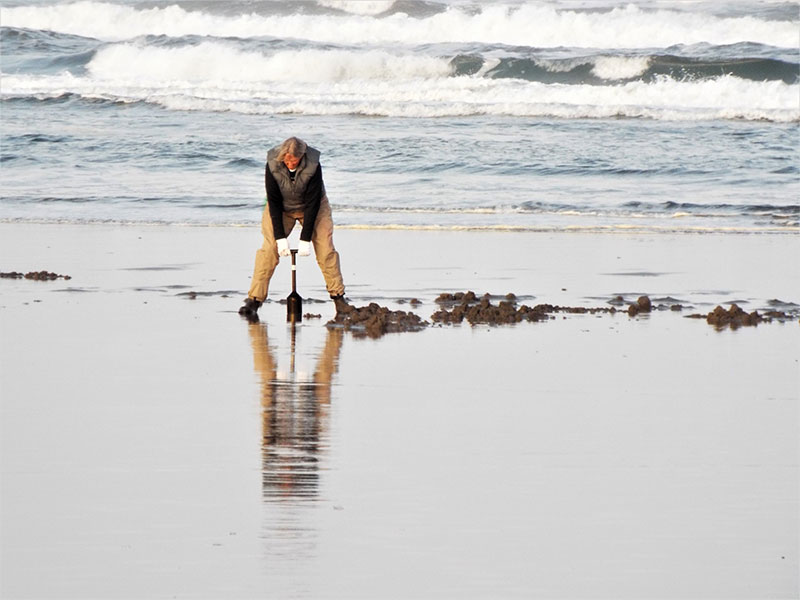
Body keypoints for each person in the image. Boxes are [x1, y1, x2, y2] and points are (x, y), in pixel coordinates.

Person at [239, 137, 350, 320]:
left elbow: (313, 204)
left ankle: (339, 299)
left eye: (294, 160)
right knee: (269, 250)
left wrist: (305, 238)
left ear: (302, 156)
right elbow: (273, 201)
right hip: (281, 208)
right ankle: (254, 300)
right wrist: (280, 237)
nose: (290, 163)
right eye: (287, 160)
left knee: (326, 249)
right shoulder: (273, 164)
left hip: (314, 207)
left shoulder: (313, 165)